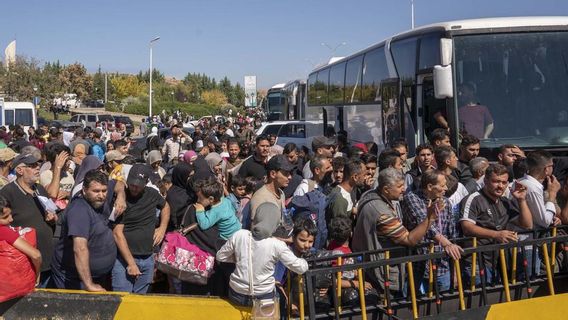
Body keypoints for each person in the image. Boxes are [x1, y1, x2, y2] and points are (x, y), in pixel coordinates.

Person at [351, 168, 438, 293]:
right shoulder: (382, 213)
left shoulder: (369, 196)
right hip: (382, 273)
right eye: (399, 186)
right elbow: (409, 240)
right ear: (386, 189)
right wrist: (429, 219)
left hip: (371, 266)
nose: (404, 189)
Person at [216, 202, 309, 307]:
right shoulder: (277, 245)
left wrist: (241, 258)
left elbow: (221, 256)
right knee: (282, 301)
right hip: (263, 298)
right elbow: (300, 268)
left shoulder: (239, 235)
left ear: (257, 218)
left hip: (237, 295)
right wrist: (305, 261)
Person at [460, 164, 534, 283]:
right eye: (496, 181)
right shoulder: (473, 199)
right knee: (480, 300)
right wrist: (497, 235)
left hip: (500, 261)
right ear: (485, 181)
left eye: (504, 182)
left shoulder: (505, 202)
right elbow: (467, 228)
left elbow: (527, 225)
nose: (500, 186)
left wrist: (521, 200)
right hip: (476, 261)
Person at [51, 170, 116, 291]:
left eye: (104, 191)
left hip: (98, 275)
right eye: (96, 191)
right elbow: (80, 248)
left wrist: (121, 196)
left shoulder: (100, 198)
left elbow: (118, 184)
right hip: (74, 278)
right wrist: (89, 284)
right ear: (84, 190)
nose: (101, 195)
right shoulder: (79, 210)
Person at [0, 153, 56, 287]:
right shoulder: (7, 193)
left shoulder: (40, 189)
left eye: (38, 165)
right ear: (19, 170)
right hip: (28, 264)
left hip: (48, 260)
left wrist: (52, 218)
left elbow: (52, 214)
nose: (38, 168)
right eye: (32, 166)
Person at [111, 164, 170, 293]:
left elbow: (165, 207)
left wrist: (162, 227)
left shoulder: (152, 194)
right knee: (122, 301)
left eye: (138, 185)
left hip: (147, 258)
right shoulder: (121, 199)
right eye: (132, 184)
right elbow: (117, 234)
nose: (134, 187)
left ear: (146, 182)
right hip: (124, 260)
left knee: (140, 304)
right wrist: (131, 264)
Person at [401, 170, 463, 292]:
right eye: (442, 185)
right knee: (414, 302)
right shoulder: (412, 198)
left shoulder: (445, 202)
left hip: (441, 265)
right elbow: (426, 227)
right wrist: (446, 243)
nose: (446, 188)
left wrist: (455, 271)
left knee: (444, 303)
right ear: (430, 186)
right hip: (418, 265)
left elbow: (452, 234)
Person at [0, 196, 42, 293]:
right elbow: (36, 255)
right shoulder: (3, 231)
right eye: (5, 217)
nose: (11, 219)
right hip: (11, 288)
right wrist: (37, 274)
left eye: (10, 214)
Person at [516, 151, 561, 229]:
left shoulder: (520, 181)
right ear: (546, 169)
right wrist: (552, 195)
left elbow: (539, 216)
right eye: (552, 166)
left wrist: (552, 218)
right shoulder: (532, 188)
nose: (553, 168)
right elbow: (544, 222)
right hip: (527, 237)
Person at [249, 155, 295, 229]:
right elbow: (255, 230)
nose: (290, 177)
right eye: (286, 173)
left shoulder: (281, 193)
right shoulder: (260, 198)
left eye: (290, 173)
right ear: (273, 174)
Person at [194, 177, 241, 241]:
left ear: (211, 199)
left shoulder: (216, 211)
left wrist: (200, 210)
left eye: (200, 198)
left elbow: (204, 225)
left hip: (228, 237)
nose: (198, 200)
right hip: (238, 228)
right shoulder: (224, 200)